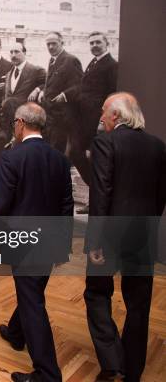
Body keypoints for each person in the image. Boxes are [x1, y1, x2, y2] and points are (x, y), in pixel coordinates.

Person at [0, 102, 73, 382]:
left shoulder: (12, 156)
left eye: (14, 123)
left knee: (32, 300)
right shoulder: (60, 159)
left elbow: (1, 204)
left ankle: (47, 373)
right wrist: (62, 245)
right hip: (49, 242)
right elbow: (66, 205)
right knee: (32, 291)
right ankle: (15, 332)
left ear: (20, 123)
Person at [83, 93, 166, 382]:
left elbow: (101, 192)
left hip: (110, 237)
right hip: (143, 235)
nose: (101, 117)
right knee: (139, 304)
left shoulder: (105, 142)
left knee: (96, 294)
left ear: (116, 116)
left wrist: (94, 240)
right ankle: (133, 372)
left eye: (104, 111)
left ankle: (112, 361)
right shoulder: (158, 146)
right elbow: (159, 197)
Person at [66, 32, 119, 212]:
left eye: (98, 42)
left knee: (94, 158)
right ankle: (96, 196)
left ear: (107, 43)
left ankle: (98, 201)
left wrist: (103, 121)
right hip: (84, 120)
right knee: (76, 154)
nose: (94, 45)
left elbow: (112, 94)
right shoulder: (93, 63)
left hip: (97, 121)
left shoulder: (112, 65)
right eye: (92, 43)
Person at [37, 31, 83, 153]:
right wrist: (43, 91)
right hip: (50, 113)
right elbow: (52, 82)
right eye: (48, 44)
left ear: (61, 43)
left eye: (54, 44)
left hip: (62, 114)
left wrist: (65, 95)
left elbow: (79, 85)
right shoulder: (51, 61)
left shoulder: (71, 60)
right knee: (49, 146)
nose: (51, 47)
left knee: (58, 148)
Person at [1, 42, 46, 138]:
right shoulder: (9, 74)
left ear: (24, 53)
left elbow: (48, 83)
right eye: (11, 52)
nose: (13, 55)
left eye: (17, 52)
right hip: (9, 121)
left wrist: (37, 89)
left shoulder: (36, 70)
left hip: (27, 119)